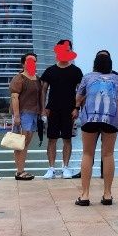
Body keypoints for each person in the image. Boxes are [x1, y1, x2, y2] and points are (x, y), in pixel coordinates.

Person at [74, 50, 118, 206]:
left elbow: (78, 98)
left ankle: (85, 195)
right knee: (108, 154)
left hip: (90, 117)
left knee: (87, 153)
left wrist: (78, 106)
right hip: (111, 118)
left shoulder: (87, 77)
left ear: (95, 63)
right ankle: (107, 194)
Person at [40, 39, 84, 179]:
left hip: (69, 110)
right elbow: (43, 90)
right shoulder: (50, 71)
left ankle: (65, 167)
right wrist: (43, 108)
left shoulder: (76, 71)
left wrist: (77, 108)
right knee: (51, 139)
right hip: (52, 109)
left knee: (67, 139)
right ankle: (51, 168)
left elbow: (80, 91)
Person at [9, 52, 41, 180]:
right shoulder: (19, 78)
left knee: (26, 143)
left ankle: (21, 170)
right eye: (29, 61)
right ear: (23, 64)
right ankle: (19, 171)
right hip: (23, 113)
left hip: (33, 113)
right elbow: (14, 97)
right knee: (20, 143)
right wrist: (16, 116)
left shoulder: (37, 79)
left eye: (34, 61)